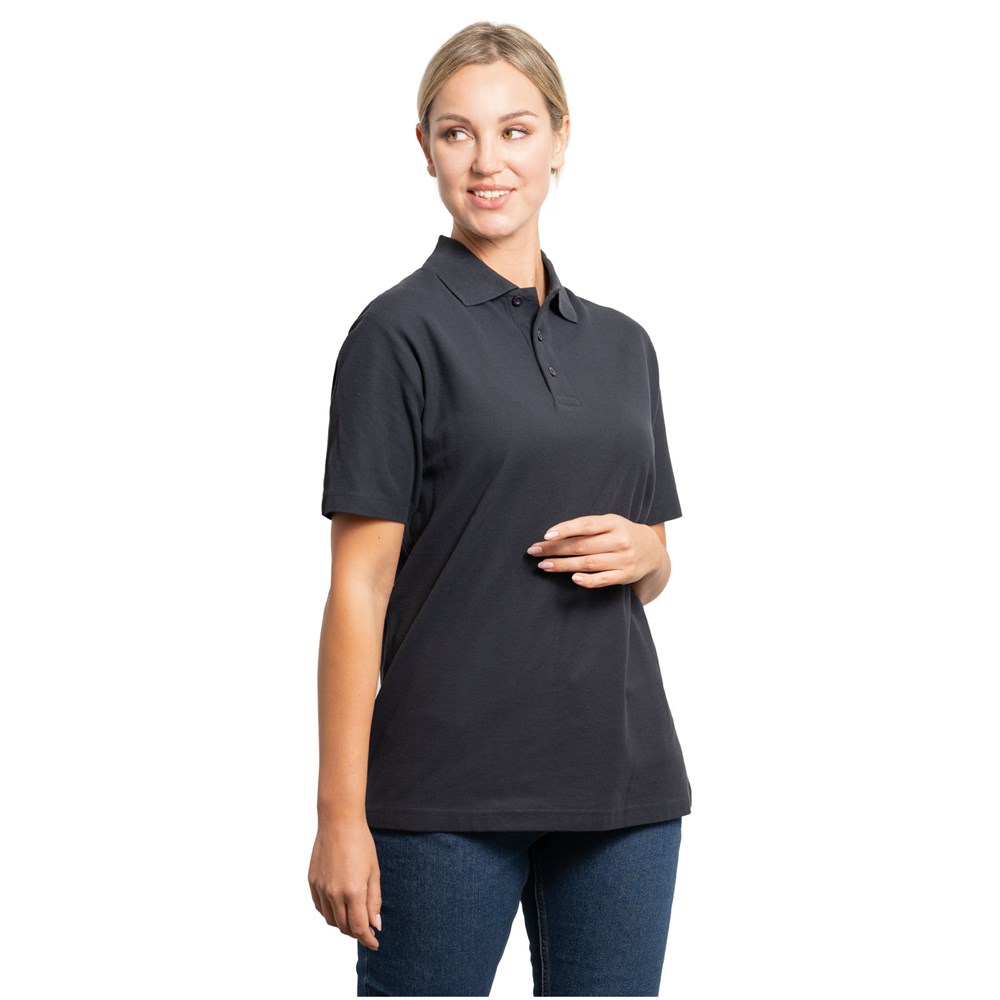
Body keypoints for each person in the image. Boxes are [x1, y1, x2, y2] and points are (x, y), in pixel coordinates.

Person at [308, 20, 692, 997]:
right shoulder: (395, 335)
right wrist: (339, 814)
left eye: (516, 131)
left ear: (560, 140)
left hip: (622, 784)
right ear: (425, 147)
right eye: (457, 133)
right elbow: (358, 589)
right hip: (444, 791)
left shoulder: (624, 345)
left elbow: (651, 563)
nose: (488, 162)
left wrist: (648, 553)